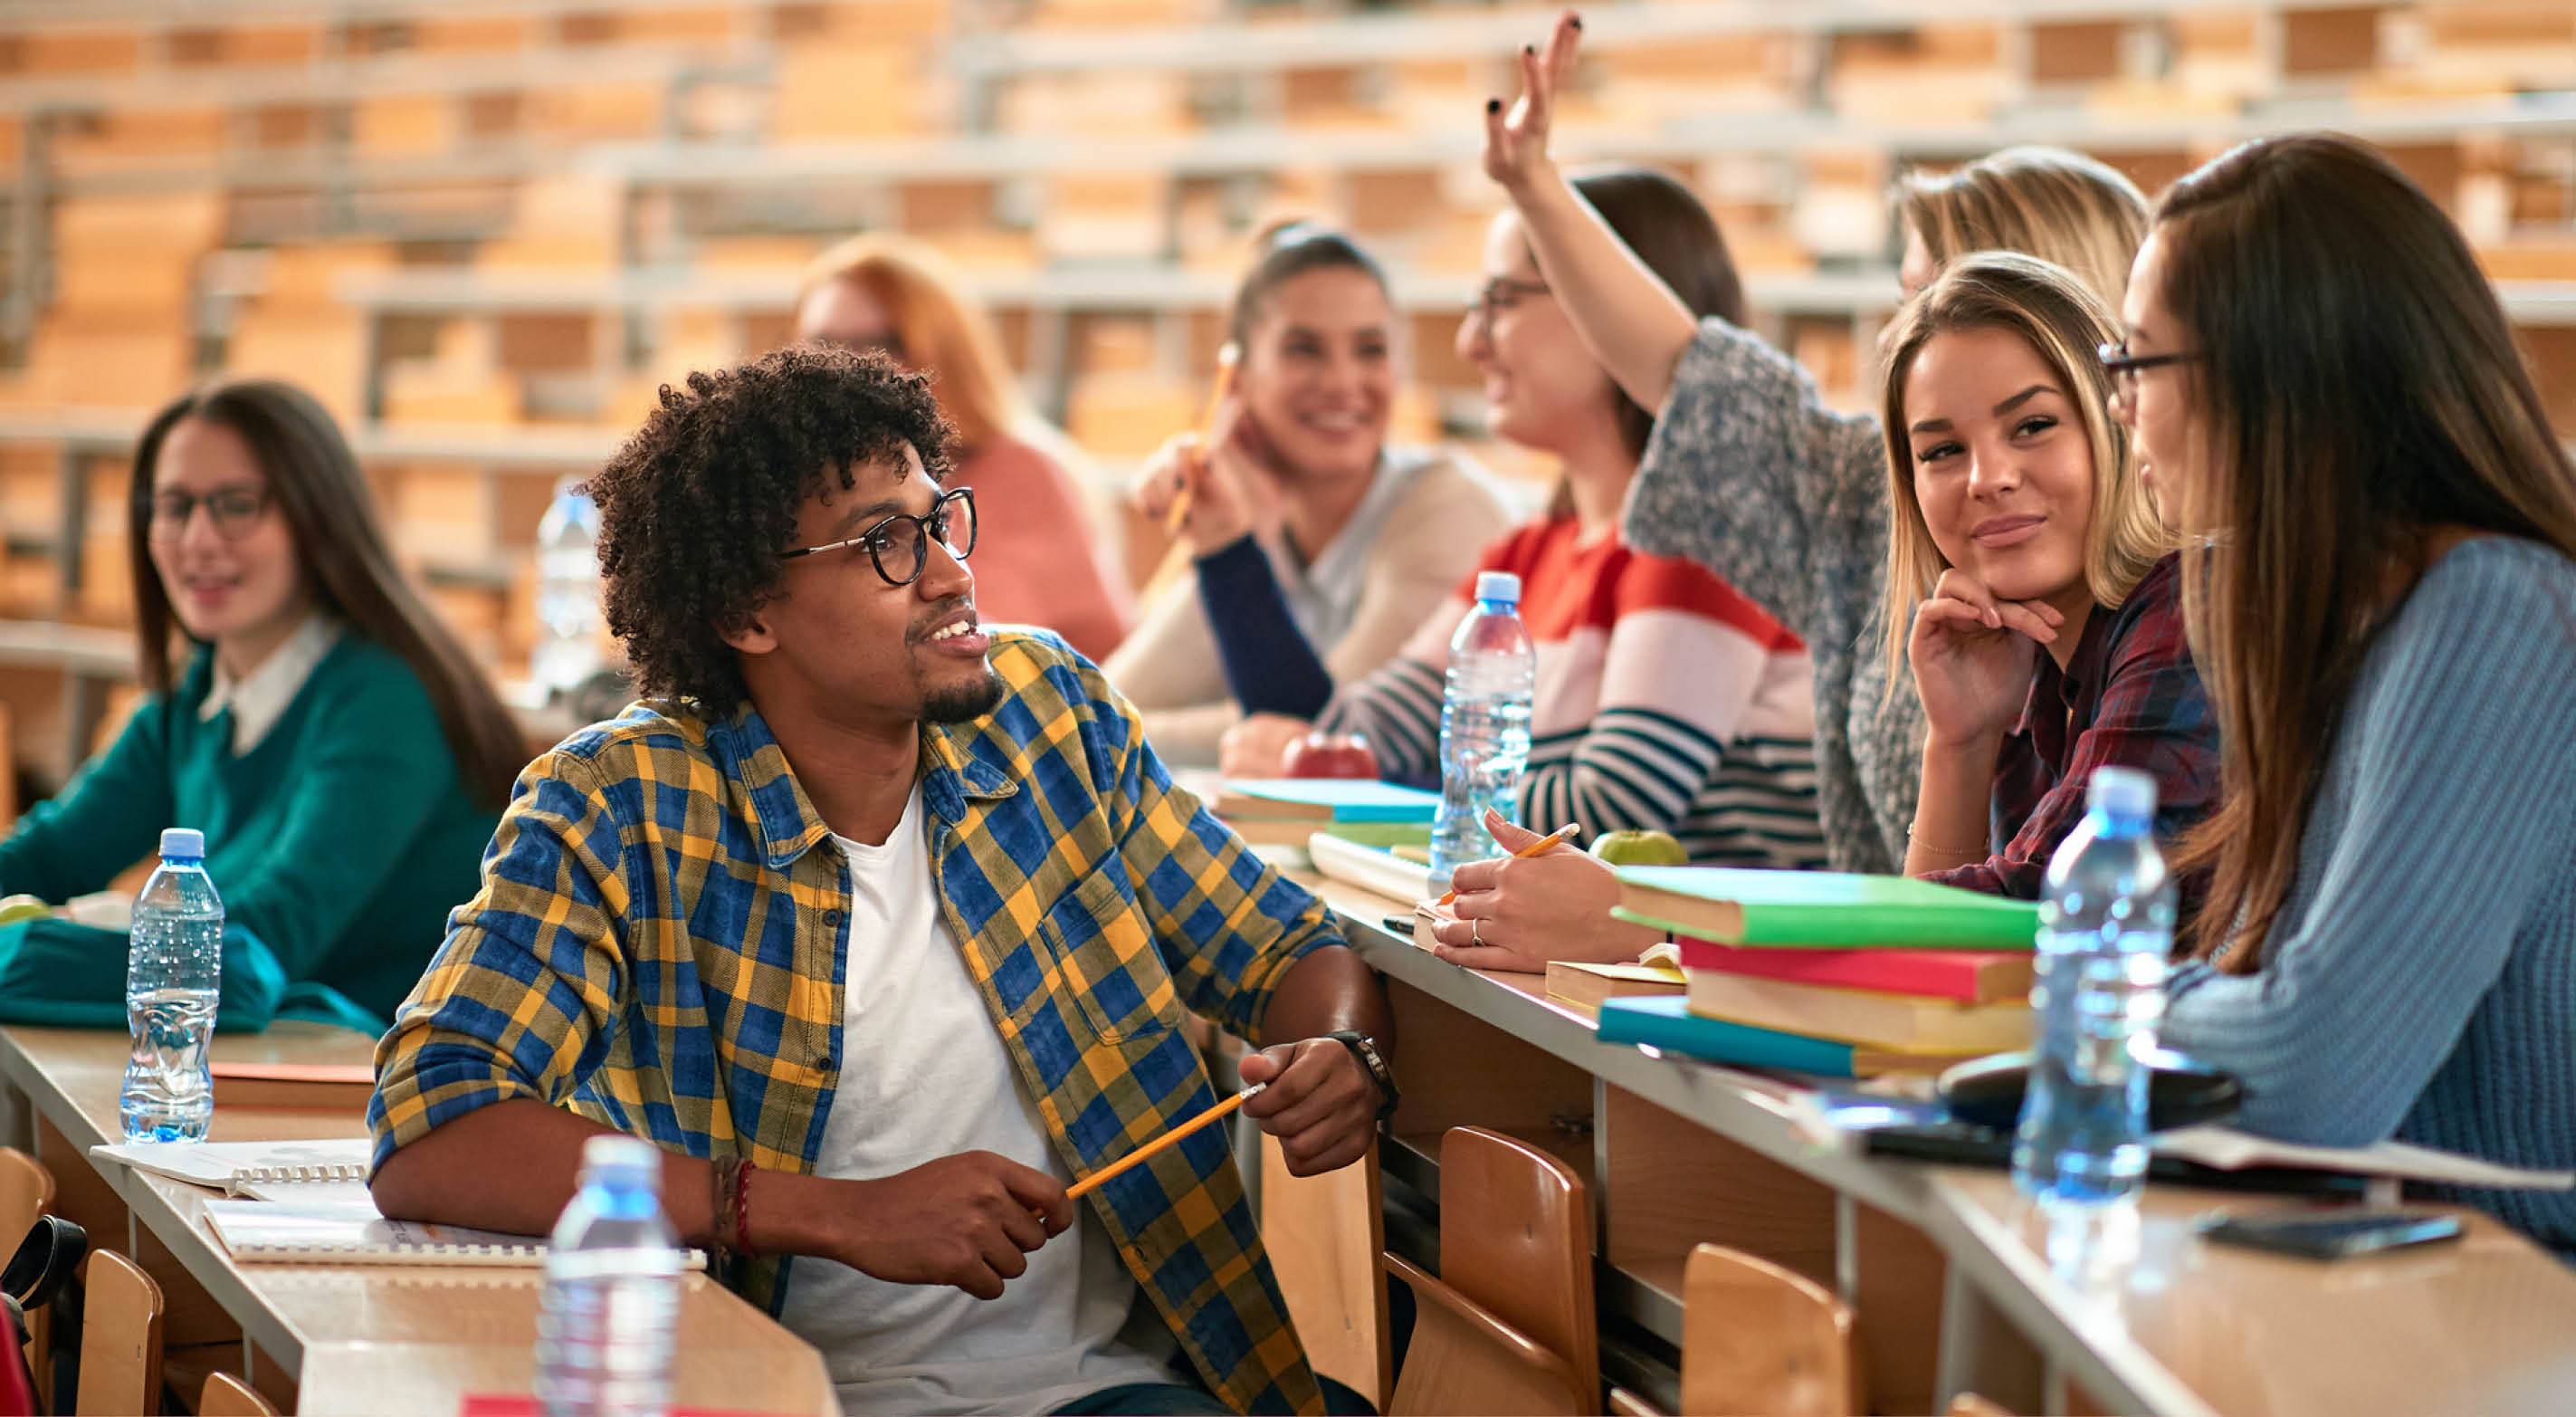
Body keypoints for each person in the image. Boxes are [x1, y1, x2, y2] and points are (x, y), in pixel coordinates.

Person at [368, 346, 1394, 1415]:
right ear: (746, 613)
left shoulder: (1047, 716)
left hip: (1110, 1392)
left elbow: (1287, 946)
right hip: (783, 1394)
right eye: (883, 544)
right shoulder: (621, 805)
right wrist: (838, 1213)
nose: (950, 571)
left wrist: (1337, 1045)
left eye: (941, 518)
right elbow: (434, 1121)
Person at [1484, 12, 2151, 877]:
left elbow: (2018, 937)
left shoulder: (2170, 608)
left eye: (1934, 299)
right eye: (1908, 305)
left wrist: (1639, 926)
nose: (1908, 344)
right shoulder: (1879, 497)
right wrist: (1534, 184)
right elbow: (1693, 379)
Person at [2131, 135, 2576, 1257]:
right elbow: (2260, 1001)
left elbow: (2312, 1070)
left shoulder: (2494, 611)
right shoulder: (2348, 626)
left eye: (2137, 364)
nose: (2122, 409)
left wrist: (2079, 994)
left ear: (2269, 381)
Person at [1201, 169, 1827, 884]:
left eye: (1499, 303)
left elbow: (1609, 812)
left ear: (1608, 302)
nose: (1472, 341)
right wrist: (1226, 547)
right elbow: (1349, 734)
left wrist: (1357, 774)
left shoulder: (1703, 540)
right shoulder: (1525, 555)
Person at [0, 379, 522, 1031]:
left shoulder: (386, 699)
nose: (198, 539)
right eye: (174, 507)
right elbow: (44, 857)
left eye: (236, 505)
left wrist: (24, 946)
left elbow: (250, 950)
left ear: (315, 518)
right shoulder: (191, 701)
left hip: (391, 1096)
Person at [1111, 221, 1516, 764]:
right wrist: (1233, 530)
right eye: (1304, 349)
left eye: (1370, 350)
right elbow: (1109, 700)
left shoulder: (1446, 508)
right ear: (1236, 380)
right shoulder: (1261, 518)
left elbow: (1327, 738)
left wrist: (1112, 737)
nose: (1343, 381)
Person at [1880, 253, 2213, 903]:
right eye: (1943, 451)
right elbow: (1924, 966)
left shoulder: (2188, 610)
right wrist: (1961, 742)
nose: (1987, 477)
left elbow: (2048, 905)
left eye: (2032, 427)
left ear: (2114, 425)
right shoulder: (2036, 664)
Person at [795, 234, 1136, 662]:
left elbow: (1108, 656)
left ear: (945, 352)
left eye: (885, 344)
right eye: (823, 347)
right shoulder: (798, 489)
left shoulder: (1024, 471)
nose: (851, 369)